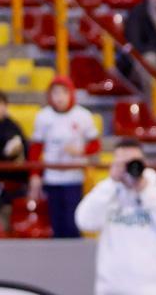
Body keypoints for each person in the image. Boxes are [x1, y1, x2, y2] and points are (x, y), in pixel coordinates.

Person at [74, 138, 156, 295]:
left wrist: (145, 192)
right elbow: (84, 221)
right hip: (111, 290)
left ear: (144, 164)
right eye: (123, 163)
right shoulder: (106, 193)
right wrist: (112, 183)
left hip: (153, 290)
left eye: (133, 162)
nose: (129, 168)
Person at [28, 76, 100, 238]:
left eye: (64, 93)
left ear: (71, 94)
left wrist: (80, 151)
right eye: (55, 93)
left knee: (72, 222)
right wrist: (34, 175)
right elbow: (35, 149)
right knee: (56, 222)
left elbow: (96, 144)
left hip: (74, 177)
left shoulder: (83, 116)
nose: (59, 98)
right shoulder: (43, 116)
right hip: (52, 176)